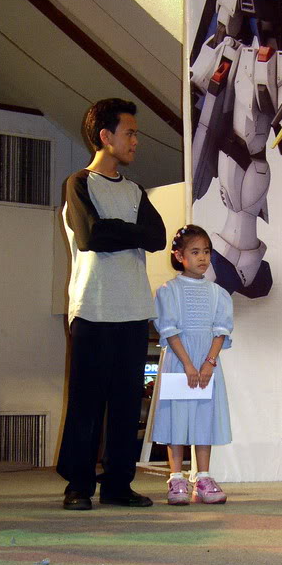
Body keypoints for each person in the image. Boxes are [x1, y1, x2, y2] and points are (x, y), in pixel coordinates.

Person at [57, 98, 166, 510]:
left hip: (134, 310)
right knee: (86, 402)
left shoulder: (135, 191)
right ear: (106, 136)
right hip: (93, 308)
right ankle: (78, 485)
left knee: (125, 403)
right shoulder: (79, 183)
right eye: (130, 132)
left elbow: (157, 238)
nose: (136, 141)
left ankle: (118, 484)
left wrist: (115, 229)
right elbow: (90, 237)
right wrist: (129, 231)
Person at [152, 224, 233, 505]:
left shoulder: (218, 293)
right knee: (177, 416)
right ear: (179, 256)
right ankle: (176, 478)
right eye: (195, 252)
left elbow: (221, 330)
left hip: (206, 364)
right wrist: (187, 363)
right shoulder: (168, 291)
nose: (202, 258)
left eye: (206, 252)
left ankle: (203, 477)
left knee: (203, 417)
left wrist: (209, 362)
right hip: (179, 362)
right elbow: (169, 330)